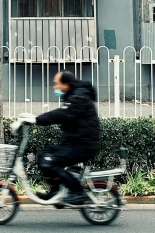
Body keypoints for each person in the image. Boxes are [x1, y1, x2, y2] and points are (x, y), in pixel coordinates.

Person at [17, 70, 100, 206]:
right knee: (43, 155)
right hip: (74, 143)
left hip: (83, 146)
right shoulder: (73, 95)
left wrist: (37, 119)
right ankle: (55, 191)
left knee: (49, 162)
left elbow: (62, 114)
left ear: (66, 84)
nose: (55, 87)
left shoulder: (79, 97)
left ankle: (78, 192)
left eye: (57, 84)